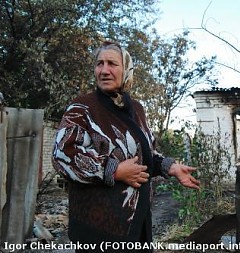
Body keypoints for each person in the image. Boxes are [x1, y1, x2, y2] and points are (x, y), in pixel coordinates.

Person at [52, 40, 200, 252]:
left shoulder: (136, 108)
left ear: (126, 70)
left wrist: (170, 166)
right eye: (99, 63)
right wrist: (113, 171)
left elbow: (145, 153)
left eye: (112, 64)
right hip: (97, 227)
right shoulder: (81, 108)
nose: (104, 70)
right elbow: (63, 155)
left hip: (136, 220)